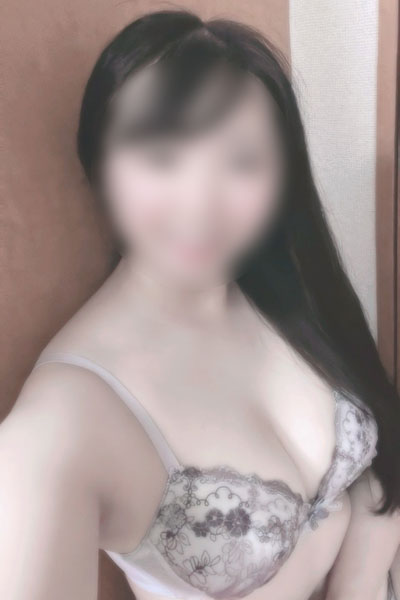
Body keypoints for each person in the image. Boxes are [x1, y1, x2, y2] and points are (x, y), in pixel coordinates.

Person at [1, 9, 399, 600]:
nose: (201, 202)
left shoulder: (289, 292)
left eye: (242, 162)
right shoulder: (58, 430)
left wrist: (359, 582)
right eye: (162, 157)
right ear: (99, 166)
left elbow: (374, 472)